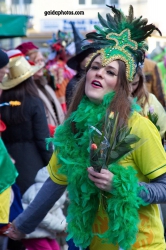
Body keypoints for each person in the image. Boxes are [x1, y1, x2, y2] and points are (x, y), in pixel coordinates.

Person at [6, 5, 166, 250]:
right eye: (95, 67)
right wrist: (23, 225)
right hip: (91, 244)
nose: (99, 73)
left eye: (110, 71)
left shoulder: (139, 127)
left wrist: (121, 185)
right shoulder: (75, 128)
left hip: (140, 245)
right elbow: (55, 181)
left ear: (122, 86)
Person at [0, 51, 53, 195]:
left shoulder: (3, 103)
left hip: (7, 164)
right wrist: (53, 164)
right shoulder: (34, 102)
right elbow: (43, 139)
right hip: (32, 165)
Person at [15, 42, 65, 136]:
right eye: (37, 61)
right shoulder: (24, 91)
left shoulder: (45, 85)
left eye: (42, 61)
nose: (41, 64)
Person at [21, 167, 66, 250]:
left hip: (44, 232)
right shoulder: (41, 190)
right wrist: (61, 226)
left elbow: (55, 209)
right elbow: (38, 213)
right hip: (32, 233)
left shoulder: (58, 189)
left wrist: (65, 225)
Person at [66, 22, 98, 108]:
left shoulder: (94, 79)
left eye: (93, 56)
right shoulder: (73, 84)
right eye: (89, 56)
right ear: (81, 61)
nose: (92, 59)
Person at [130, 66, 166, 138]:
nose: (130, 89)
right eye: (124, 84)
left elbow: (162, 129)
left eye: (134, 84)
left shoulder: (150, 100)